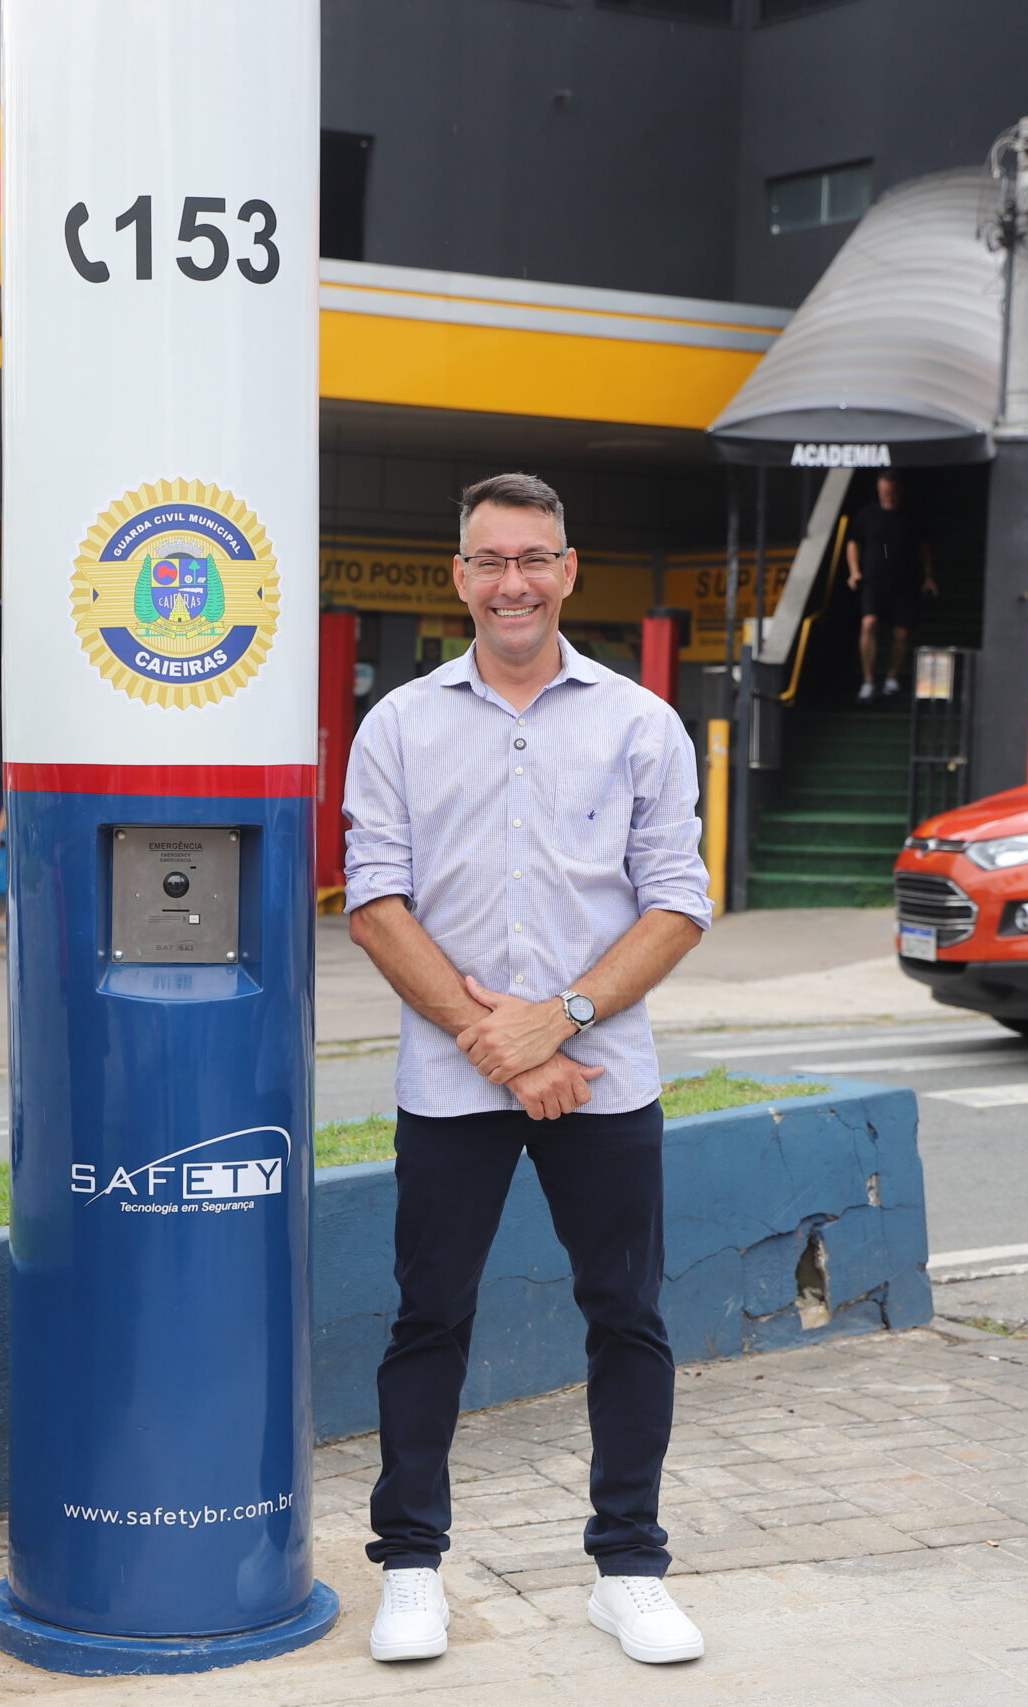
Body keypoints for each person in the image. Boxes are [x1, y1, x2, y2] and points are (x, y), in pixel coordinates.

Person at [342, 472, 714, 1670]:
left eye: (533, 558)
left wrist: (557, 1022)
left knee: (628, 1317)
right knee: (428, 1318)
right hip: (454, 1083)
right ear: (458, 577)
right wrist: (494, 1042)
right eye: (489, 560)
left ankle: (629, 1568)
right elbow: (375, 903)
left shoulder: (640, 724)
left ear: (568, 571)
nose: (512, 581)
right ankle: (410, 1565)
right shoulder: (397, 724)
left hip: (602, 1074)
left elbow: (677, 903)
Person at [844, 471, 935, 702]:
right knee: (869, 623)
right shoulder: (868, 514)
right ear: (878, 491)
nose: (889, 497)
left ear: (899, 492)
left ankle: (892, 677)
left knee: (902, 632)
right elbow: (852, 542)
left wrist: (929, 576)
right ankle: (868, 680)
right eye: (885, 492)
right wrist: (854, 571)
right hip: (874, 580)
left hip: (904, 581)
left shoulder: (910, 516)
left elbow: (924, 547)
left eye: (892, 492)